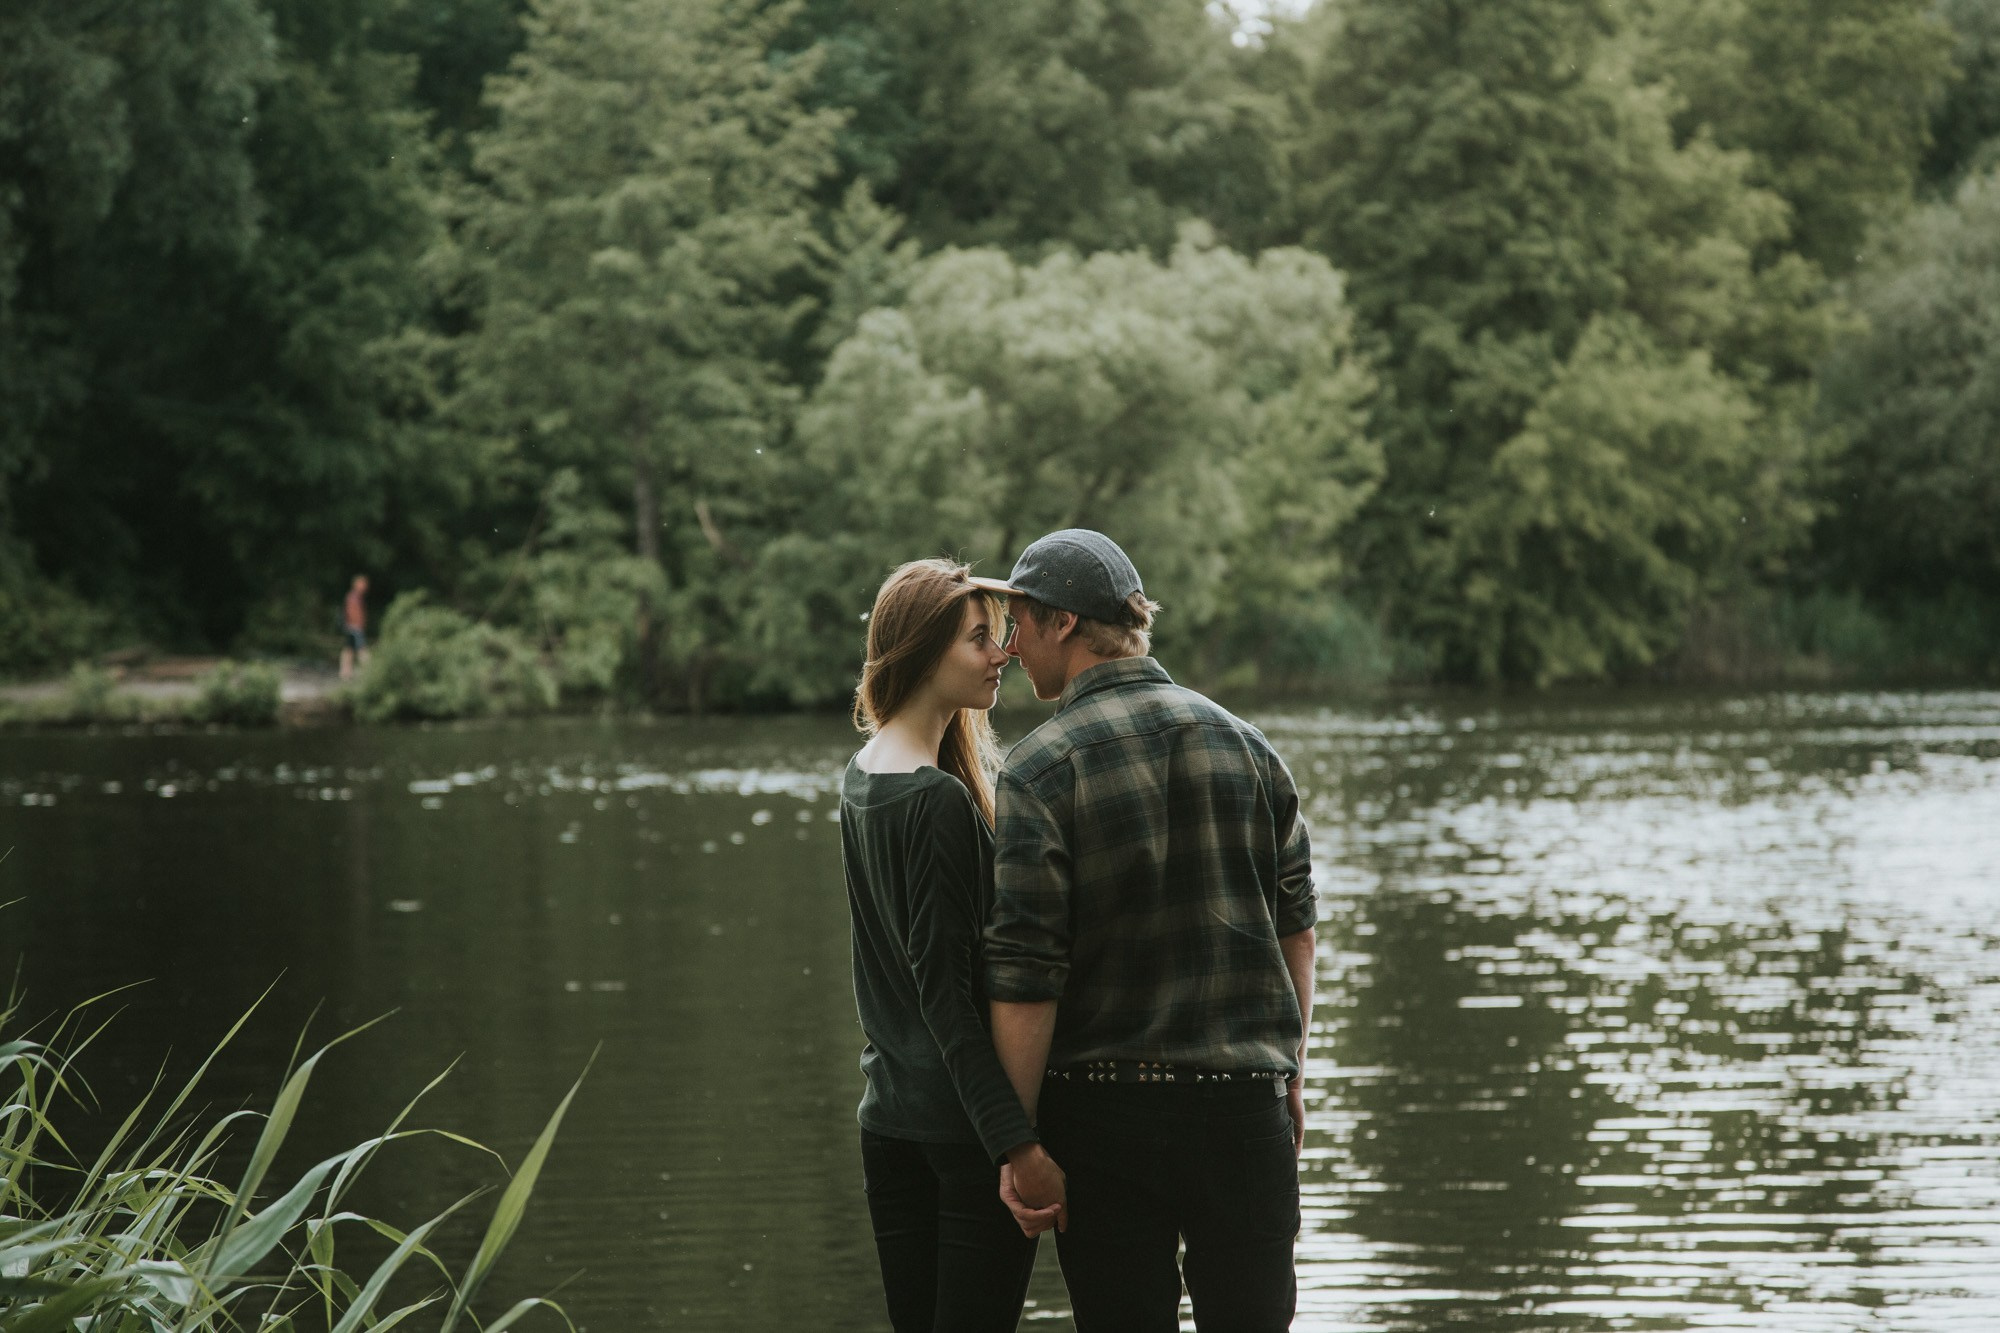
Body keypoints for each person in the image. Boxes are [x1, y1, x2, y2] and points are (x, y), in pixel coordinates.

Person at [972, 529, 1318, 1332]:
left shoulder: (1039, 768)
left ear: (1064, 623)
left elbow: (1026, 973)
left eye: (1019, 619)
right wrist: (1289, 1071)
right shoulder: (1253, 748)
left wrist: (1018, 1142)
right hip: (1244, 1112)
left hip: (1102, 1124)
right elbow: (1296, 929)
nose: (1012, 643)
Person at [841, 558, 1067, 1333]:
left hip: (889, 1123)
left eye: (1001, 635)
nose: (1002, 654)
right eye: (980, 639)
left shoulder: (863, 774)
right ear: (924, 650)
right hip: (962, 1136)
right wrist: (1018, 1141)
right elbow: (946, 991)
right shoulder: (935, 800)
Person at [339, 574, 370, 681]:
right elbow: (352, 612)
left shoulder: (355, 596)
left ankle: (345, 673)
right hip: (355, 628)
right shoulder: (353, 597)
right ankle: (369, 672)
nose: (365, 586)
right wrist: (357, 625)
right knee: (361, 649)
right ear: (356, 584)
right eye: (363, 584)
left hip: (352, 627)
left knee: (349, 650)